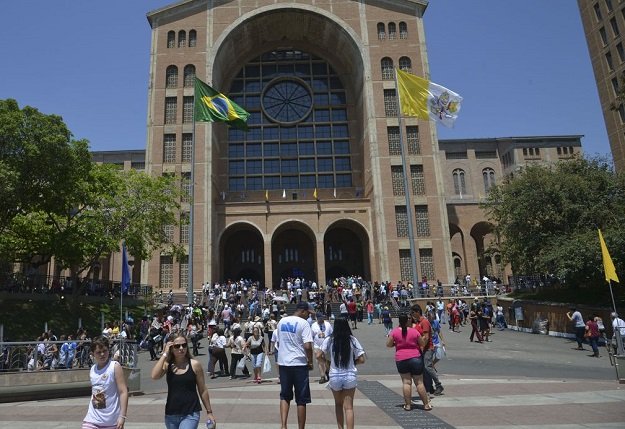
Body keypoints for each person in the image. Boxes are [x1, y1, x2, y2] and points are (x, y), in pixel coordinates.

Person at [151, 333, 215, 429]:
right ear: (171, 348)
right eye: (177, 346)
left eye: (184, 345)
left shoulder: (195, 365)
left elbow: (203, 390)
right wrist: (164, 354)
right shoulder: (167, 365)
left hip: (191, 413)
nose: (181, 348)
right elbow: (154, 376)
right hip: (171, 413)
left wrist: (209, 412)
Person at [275, 301, 315, 429]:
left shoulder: (282, 321)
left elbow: (279, 342)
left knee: (285, 396)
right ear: (302, 311)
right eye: (308, 313)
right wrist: (310, 361)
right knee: (301, 399)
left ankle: (283, 425)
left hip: (283, 363)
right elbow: (307, 346)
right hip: (299, 363)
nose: (309, 316)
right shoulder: (304, 323)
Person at [320, 318, 365, 429]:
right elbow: (362, 359)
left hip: (335, 375)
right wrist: (353, 362)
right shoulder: (352, 340)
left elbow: (318, 355)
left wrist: (327, 362)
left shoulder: (329, 339)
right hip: (349, 375)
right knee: (349, 408)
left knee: (338, 404)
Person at [386, 313, 431, 411]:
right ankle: (426, 405)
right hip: (415, 357)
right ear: (407, 321)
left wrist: (396, 344)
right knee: (419, 383)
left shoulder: (394, 332)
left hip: (401, 358)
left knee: (406, 382)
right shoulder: (414, 331)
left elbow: (388, 344)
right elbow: (422, 343)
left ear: (399, 321)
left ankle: (408, 405)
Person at [82, 336, 129, 429]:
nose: (102, 354)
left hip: (111, 421)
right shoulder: (92, 369)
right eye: (98, 352)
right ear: (93, 354)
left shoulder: (114, 366)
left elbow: (123, 392)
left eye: (105, 351)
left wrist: (122, 416)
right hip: (93, 418)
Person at [411, 304, 444, 396]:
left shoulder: (424, 322)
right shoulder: (418, 322)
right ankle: (429, 387)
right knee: (425, 369)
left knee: (428, 366)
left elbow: (426, 337)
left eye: (413, 312)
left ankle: (438, 385)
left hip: (428, 348)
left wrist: (421, 348)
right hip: (422, 348)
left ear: (418, 312)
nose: (412, 314)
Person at [311, 312, 333, 383]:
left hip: (327, 346)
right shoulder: (313, 325)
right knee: (319, 359)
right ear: (316, 318)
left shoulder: (327, 324)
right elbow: (311, 336)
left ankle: (328, 372)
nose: (321, 319)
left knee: (327, 361)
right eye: (320, 318)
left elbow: (332, 334)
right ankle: (322, 376)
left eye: (322, 318)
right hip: (317, 345)